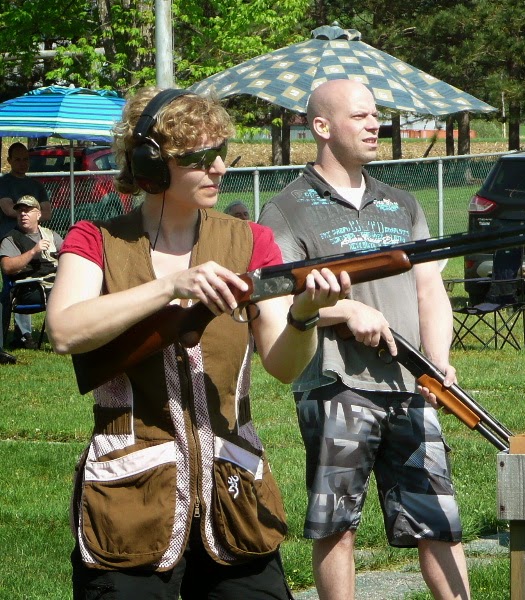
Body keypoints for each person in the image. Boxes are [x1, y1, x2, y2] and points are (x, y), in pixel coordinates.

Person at [45, 87, 351, 598]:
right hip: (129, 502)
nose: (218, 168)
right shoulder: (94, 239)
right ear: (151, 165)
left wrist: (304, 315)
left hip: (236, 498)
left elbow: (283, 364)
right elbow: (65, 331)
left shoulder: (252, 241)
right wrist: (169, 287)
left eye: (221, 152)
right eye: (198, 158)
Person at [259, 79, 471, 600]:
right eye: (361, 116)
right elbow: (278, 303)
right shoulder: (287, 210)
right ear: (322, 127)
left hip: (411, 384)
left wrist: (438, 361)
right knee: (337, 525)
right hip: (336, 388)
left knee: (438, 519)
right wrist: (344, 309)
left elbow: (429, 291)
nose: (376, 124)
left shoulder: (401, 204)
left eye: (376, 115)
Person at [0, 143, 52, 341]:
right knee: (12, 286)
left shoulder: (36, 185)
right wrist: (28, 213)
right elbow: (6, 208)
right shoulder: (4, 183)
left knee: (32, 276)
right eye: (18, 159)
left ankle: (25, 334)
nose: (22, 163)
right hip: (9, 239)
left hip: (34, 238)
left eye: (25, 159)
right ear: (10, 161)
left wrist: (26, 214)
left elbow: (47, 213)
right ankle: (14, 334)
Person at [0, 195, 62, 349]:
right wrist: (33, 251)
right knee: (63, 292)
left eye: (28, 210)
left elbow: (68, 253)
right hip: (28, 289)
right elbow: (7, 267)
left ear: (38, 214)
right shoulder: (10, 239)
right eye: (20, 211)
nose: (23, 214)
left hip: (54, 283)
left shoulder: (51, 235)